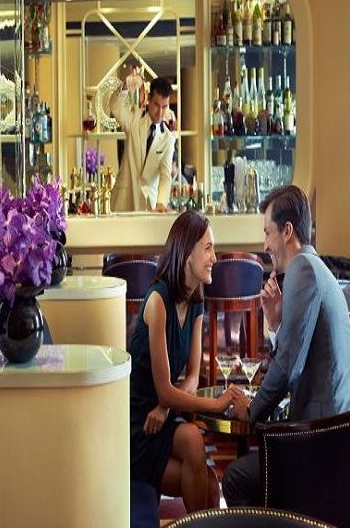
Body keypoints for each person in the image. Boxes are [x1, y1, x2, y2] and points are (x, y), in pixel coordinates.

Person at [221, 184, 350, 507]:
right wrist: (276, 323)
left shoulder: (302, 268)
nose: (265, 245)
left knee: (235, 478)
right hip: (335, 431)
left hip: (325, 439)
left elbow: (287, 367)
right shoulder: (313, 266)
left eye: (267, 233)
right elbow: (298, 354)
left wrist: (251, 411)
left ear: (287, 231)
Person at [129, 210, 240, 511]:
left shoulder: (195, 300)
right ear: (187, 253)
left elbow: (192, 375)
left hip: (162, 416)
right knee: (207, 480)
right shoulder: (158, 301)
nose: (214, 257)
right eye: (208, 248)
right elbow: (164, 390)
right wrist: (217, 404)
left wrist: (165, 408)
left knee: (197, 450)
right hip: (139, 427)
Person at [109, 70, 177, 212]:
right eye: (156, 105)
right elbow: (115, 106)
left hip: (149, 206)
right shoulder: (134, 119)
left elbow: (165, 176)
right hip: (123, 201)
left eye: (164, 107)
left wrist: (161, 203)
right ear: (149, 99)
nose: (160, 112)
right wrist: (126, 85)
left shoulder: (168, 139)